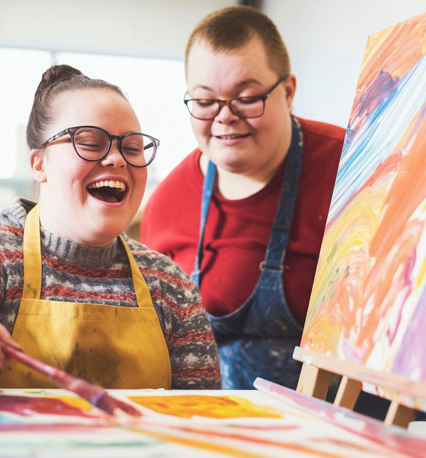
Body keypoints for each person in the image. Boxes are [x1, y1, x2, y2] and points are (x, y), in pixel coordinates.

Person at [0, 65, 220, 390]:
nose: (118, 159)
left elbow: (203, 419)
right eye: (91, 142)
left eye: (132, 148)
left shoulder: (168, 283)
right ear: (39, 163)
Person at [141, 6, 346, 390]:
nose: (225, 116)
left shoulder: (353, 167)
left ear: (288, 92)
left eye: (247, 97)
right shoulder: (167, 204)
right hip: (216, 428)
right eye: (205, 101)